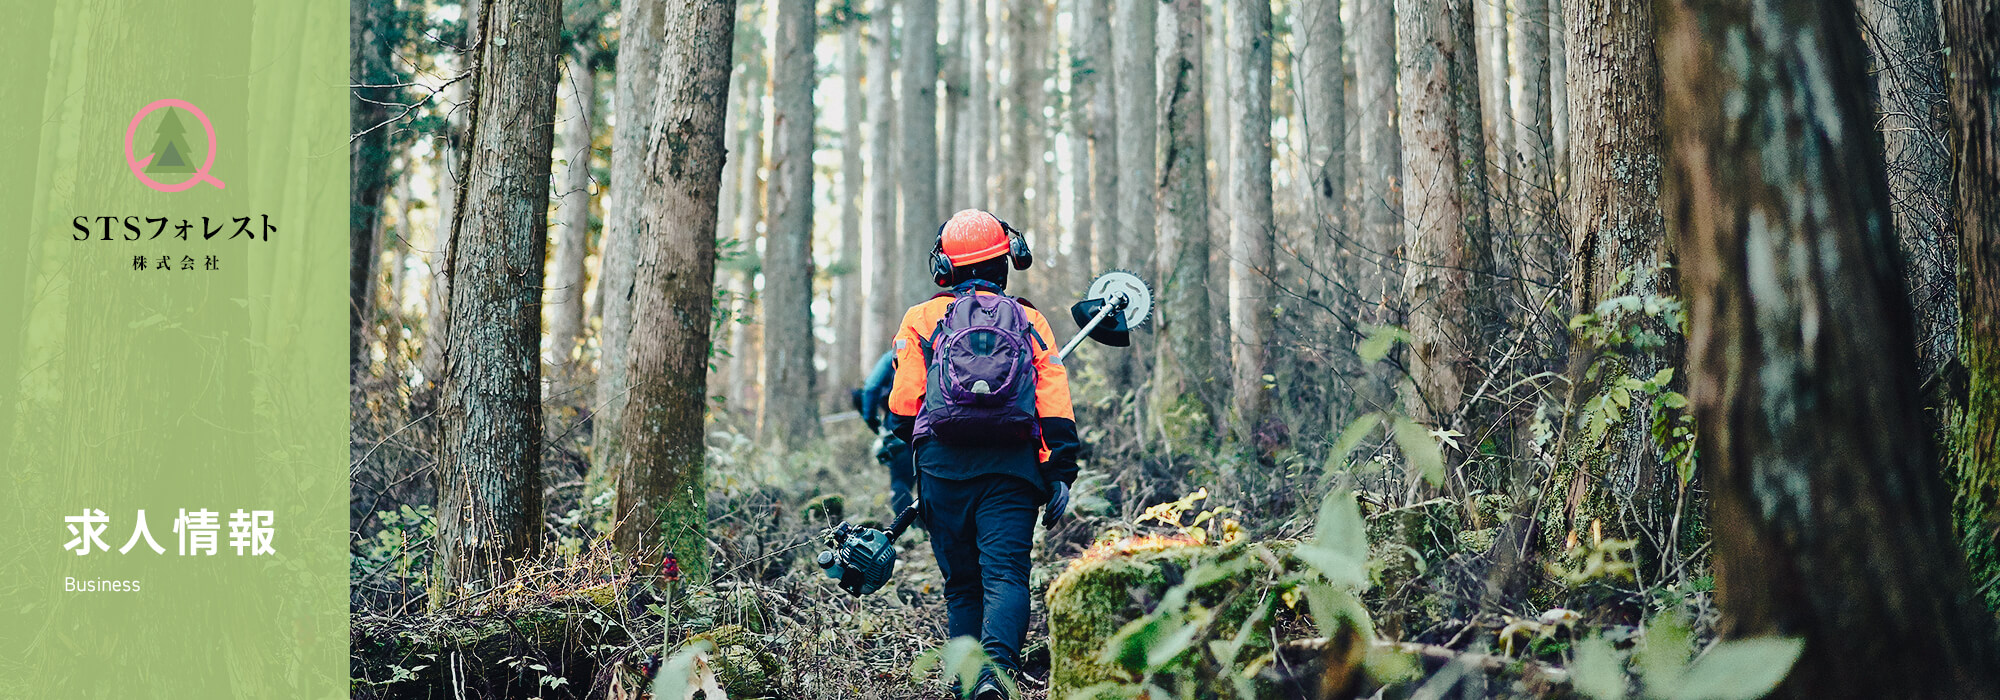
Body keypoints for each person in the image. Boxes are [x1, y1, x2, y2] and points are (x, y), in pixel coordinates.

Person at [885, 209, 1079, 700]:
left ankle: (967, 678)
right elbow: (1054, 402)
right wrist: (1060, 471)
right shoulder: (1030, 319)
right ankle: (996, 676)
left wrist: (913, 449)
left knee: (963, 585)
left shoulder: (920, 319)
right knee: (1007, 574)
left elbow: (905, 404)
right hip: (1013, 469)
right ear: (1006, 261)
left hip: (942, 469)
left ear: (944, 269)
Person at [853, 349, 914, 514]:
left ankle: (907, 529)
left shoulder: (894, 355)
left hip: (898, 426)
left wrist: (873, 421)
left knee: (900, 480)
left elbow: (871, 387)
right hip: (933, 426)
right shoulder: (941, 347)